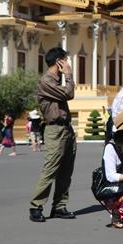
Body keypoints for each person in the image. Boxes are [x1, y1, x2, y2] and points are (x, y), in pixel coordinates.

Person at [29, 47, 78, 223]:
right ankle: (36, 206)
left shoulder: (56, 80)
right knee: (50, 169)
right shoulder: (46, 81)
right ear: (59, 61)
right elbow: (68, 93)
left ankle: (59, 206)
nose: (68, 64)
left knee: (66, 171)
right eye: (66, 60)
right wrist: (69, 75)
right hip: (55, 130)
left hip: (66, 129)